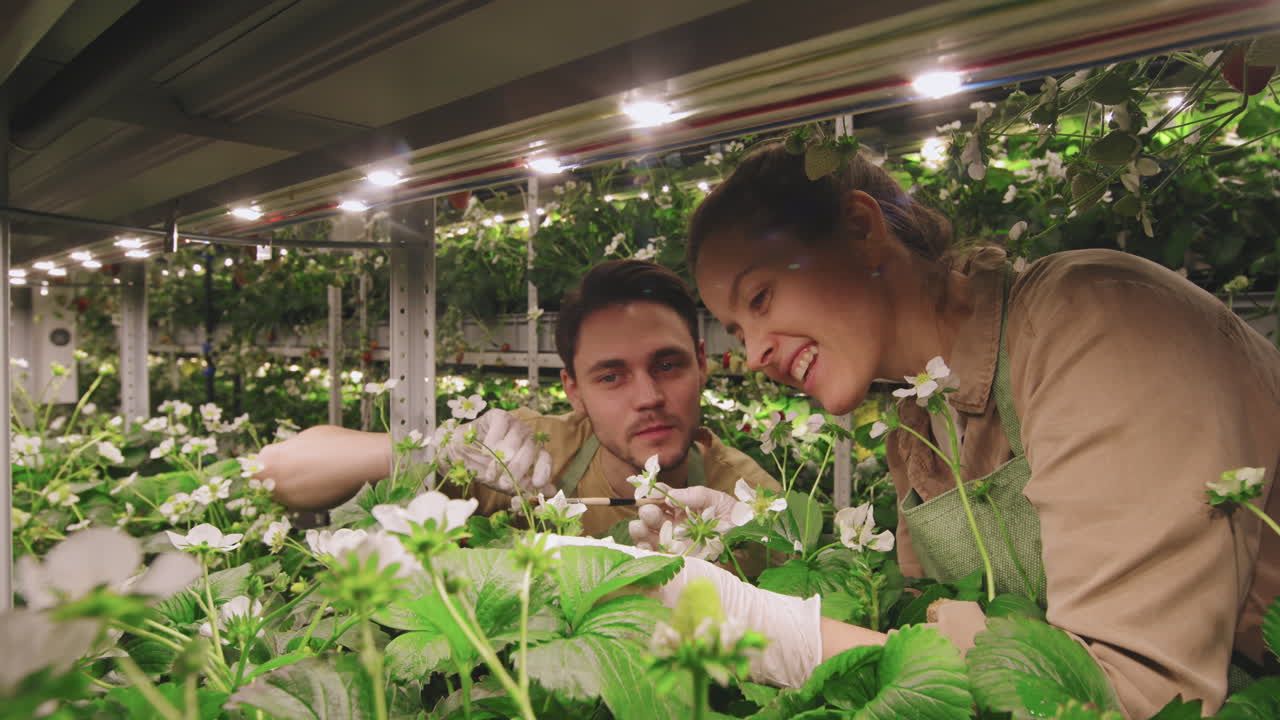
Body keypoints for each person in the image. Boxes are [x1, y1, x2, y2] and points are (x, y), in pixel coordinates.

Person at [628, 142, 1279, 716]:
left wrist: (764, 632)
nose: (758, 353)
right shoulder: (918, 430)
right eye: (738, 332)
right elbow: (924, 620)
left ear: (860, 228)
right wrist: (757, 543)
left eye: (761, 298)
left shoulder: (1092, 321)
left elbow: (1130, 702)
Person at [257, 259, 781, 538]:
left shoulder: (750, 496)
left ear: (703, 363)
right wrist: (439, 450)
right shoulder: (530, 453)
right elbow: (279, 471)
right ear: (572, 390)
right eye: (611, 376)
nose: (648, 397)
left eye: (667, 365)